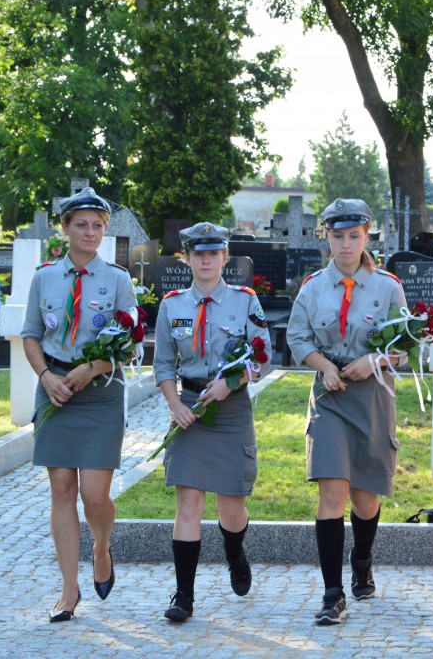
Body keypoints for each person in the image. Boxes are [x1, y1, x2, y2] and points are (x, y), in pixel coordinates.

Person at [286, 198, 406, 625]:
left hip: (372, 395)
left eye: (353, 236)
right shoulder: (313, 287)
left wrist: (372, 362)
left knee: (365, 498)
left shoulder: (388, 286)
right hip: (330, 397)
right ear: (328, 237)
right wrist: (324, 367)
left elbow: (403, 347)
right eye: (337, 236)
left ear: (367, 234)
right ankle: (332, 594)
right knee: (332, 493)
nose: (345, 244)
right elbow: (297, 337)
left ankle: (363, 558)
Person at [21, 188, 137, 622]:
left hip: (100, 390)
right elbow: (31, 335)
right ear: (65, 228)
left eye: (98, 226)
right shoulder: (44, 277)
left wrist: (91, 368)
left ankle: (102, 546)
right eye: (82, 224)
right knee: (62, 489)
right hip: (55, 390)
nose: (90, 232)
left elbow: (129, 343)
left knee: (94, 495)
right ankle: (69, 590)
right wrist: (47, 378)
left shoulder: (118, 280)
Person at [153, 223, 272, 622]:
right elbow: (163, 365)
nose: (205, 260)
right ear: (186, 258)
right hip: (189, 406)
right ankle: (183, 595)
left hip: (230, 409)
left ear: (224, 257)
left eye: (213, 253)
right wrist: (175, 405)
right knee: (188, 502)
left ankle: (235, 553)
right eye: (197, 254)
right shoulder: (172, 305)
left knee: (231, 505)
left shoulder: (245, 301)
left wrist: (231, 383)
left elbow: (262, 357)